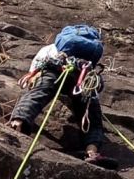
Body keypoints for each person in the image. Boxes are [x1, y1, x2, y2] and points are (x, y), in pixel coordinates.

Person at [9, 25, 111, 166]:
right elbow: (95, 86)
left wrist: (35, 83)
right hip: (82, 77)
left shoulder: (51, 47)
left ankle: (17, 124)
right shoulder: (88, 54)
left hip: (54, 70)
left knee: (38, 95)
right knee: (93, 120)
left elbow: (35, 71)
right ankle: (92, 152)